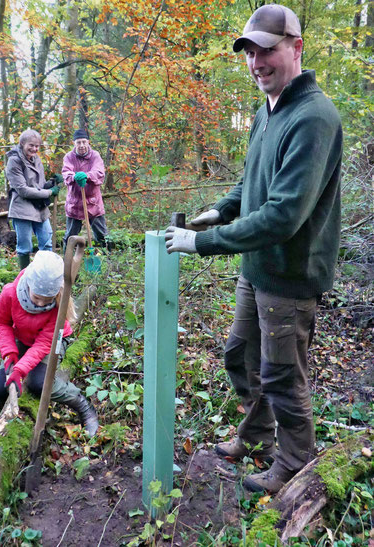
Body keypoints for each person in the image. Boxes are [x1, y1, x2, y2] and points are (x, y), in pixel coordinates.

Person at [165, 4, 342, 493]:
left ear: (296, 47)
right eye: (249, 52)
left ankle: (294, 465)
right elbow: (253, 182)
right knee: (241, 356)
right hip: (257, 267)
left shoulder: (313, 117)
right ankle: (260, 434)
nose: (256, 62)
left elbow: (283, 215)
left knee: (283, 375)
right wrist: (222, 210)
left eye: (267, 50)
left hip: (289, 272)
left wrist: (202, 242)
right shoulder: (269, 110)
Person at [0, 250, 99, 436]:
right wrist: (10, 356)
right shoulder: (10, 293)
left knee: (39, 384)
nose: (41, 304)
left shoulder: (59, 306)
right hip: (22, 338)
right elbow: (1, 323)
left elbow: (43, 344)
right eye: (37, 298)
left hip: (53, 341)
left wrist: (21, 369)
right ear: (28, 285)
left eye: (46, 299)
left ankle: (81, 404)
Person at [6, 129, 62, 270]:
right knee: (25, 247)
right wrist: (49, 192)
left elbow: (39, 185)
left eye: (37, 146)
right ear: (22, 143)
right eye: (31, 145)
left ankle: (46, 273)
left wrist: (51, 183)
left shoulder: (36, 159)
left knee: (47, 242)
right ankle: (23, 277)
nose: (34, 149)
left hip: (40, 207)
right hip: (22, 208)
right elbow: (23, 190)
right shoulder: (14, 161)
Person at [62, 129, 108, 251]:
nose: (81, 145)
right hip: (75, 203)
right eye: (78, 142)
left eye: (84, 142)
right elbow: (66, 172)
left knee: (102, 235)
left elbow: (99, 172)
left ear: (88, 142)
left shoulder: (95, 156)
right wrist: (74, 176)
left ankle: (109, 259)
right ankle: (67, 261)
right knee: (70, 236)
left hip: (93, 202)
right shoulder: (69, 157)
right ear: (74, 143)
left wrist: (87, 176)